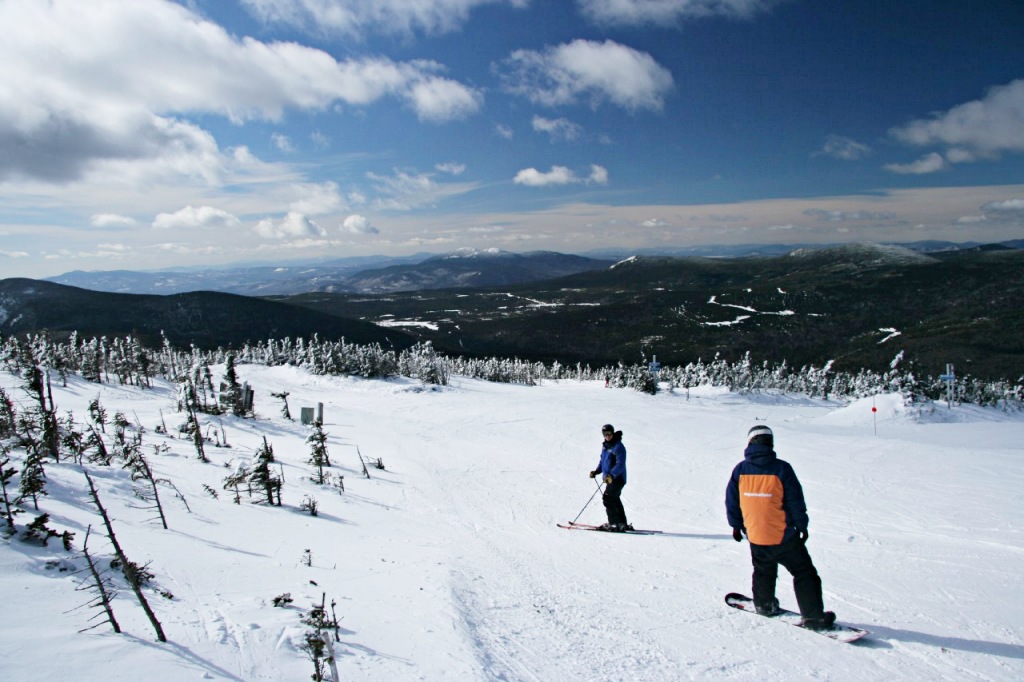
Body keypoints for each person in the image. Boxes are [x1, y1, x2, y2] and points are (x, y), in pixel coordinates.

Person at [725, 425, 836, 630]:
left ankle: (764, 605)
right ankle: (813, 617)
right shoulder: (782, 468)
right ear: (770, 443)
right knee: (804, 572)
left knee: (763, 569)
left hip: (756, 534)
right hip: (783, 537)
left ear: (750, 443)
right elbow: (795, 500)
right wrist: (801, 525)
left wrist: (736, 525)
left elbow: (732, 501)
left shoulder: (740, 470)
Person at [589, 424, 631, 532]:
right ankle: (622, 524)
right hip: (610, 478)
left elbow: (620, 464)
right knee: (614, 499)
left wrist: (611, 475)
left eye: (609, 434)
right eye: (605, 434)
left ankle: (613, 524)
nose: (607, 436)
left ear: (613, 433)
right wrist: (597, 471)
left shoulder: (618, 447)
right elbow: (603, 461)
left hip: (617, 478)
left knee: (607, 499)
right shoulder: (606, 445)